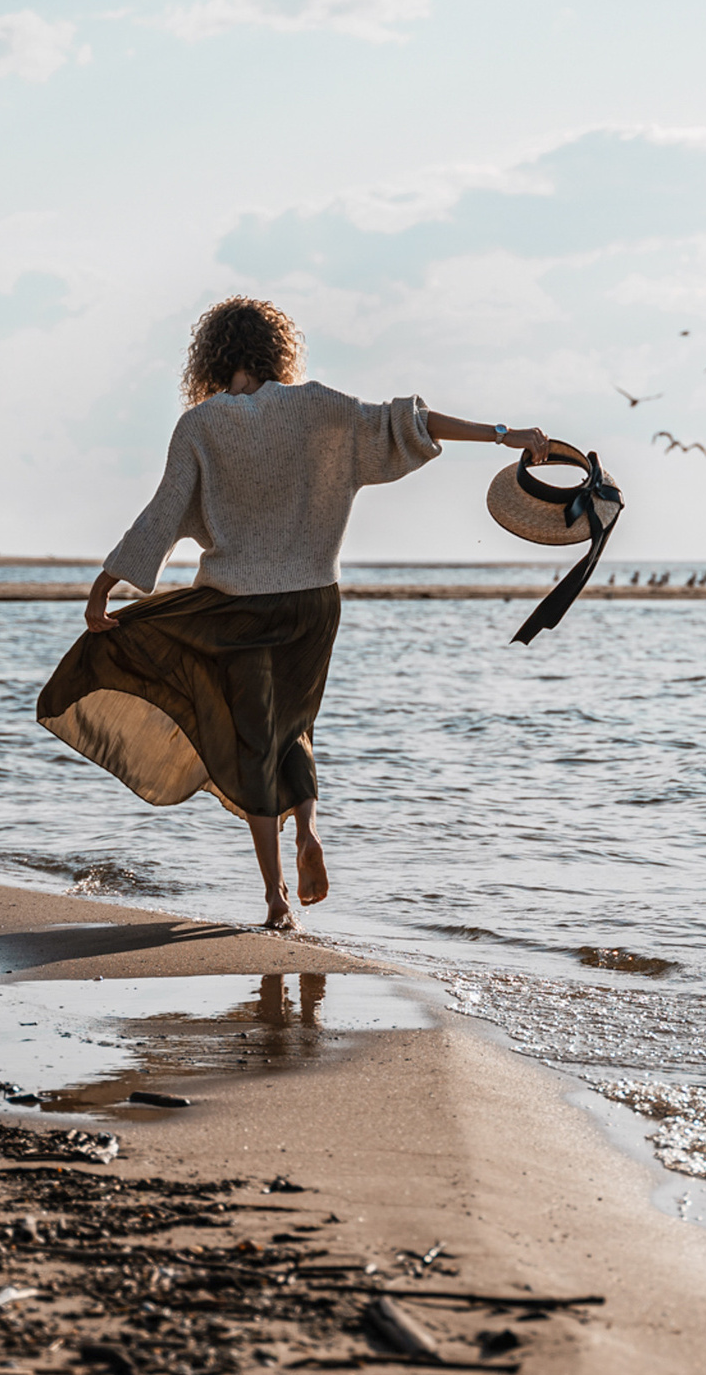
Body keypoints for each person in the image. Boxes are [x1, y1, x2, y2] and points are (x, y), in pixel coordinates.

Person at [38, 297, 550, 930]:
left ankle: (277, 897)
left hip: (237, 608)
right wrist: (505, 434)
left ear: (213, 356)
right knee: (296, 727)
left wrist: (105, 585)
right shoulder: (319, 407)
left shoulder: (200, 424)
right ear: (276, 350)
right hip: (314, 603)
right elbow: (409, 421)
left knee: (255, 739)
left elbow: (162, 515)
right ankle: (308, 829)